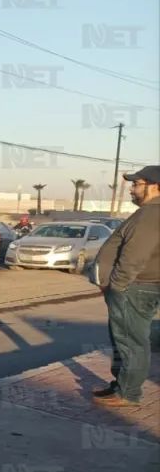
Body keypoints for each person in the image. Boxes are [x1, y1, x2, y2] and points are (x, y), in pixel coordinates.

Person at [90, 164, 160, 410]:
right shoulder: (148, 213)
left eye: (137, 184)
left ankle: (128, 393)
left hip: (133, 289)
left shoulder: (151, 215)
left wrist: (117, 285)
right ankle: (120, 385)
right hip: (134, 288)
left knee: (131, 341)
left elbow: (134, 257)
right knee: (124, 341)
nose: (132, 188)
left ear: (155, 187)